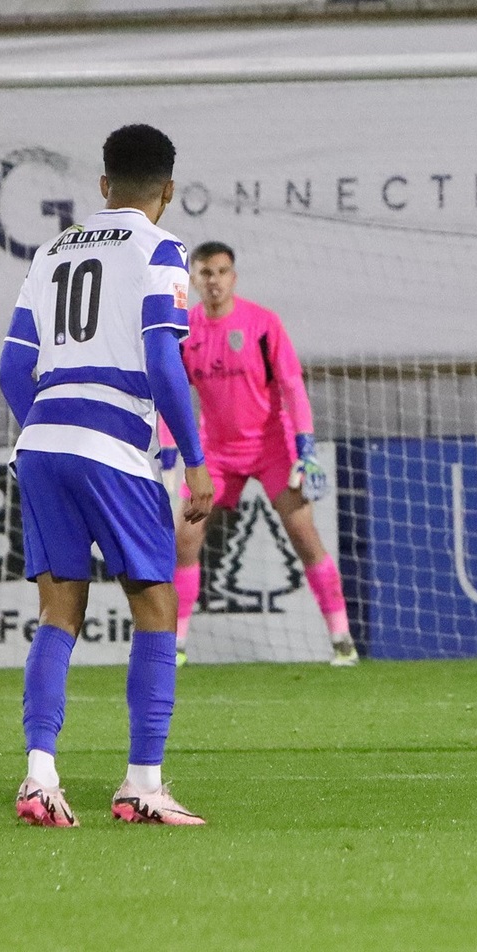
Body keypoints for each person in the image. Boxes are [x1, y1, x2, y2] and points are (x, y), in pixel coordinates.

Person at [0, 123, 215, 827]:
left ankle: (38, 778)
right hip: (114, 444)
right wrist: (194, 458)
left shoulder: (52, 249)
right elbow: (162, 361)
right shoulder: (162, 250)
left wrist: (48, 429)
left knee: (58, 613)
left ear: (102, 186)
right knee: (155, 607)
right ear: (167, 191)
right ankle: (141, 785)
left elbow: (9, 369)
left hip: (41, 439)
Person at [165, 241, 356, 668]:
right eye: (205, 273)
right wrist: (167, 452)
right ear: (192, 280)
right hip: (214, 453)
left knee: (306, 538)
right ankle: (174, 644)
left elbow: (291, 386)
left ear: (234, 277)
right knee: (185, 539)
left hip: (273, 448)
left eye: (221, 271)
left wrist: (305, 446)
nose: (213, 281)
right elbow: (172, 397)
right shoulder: (183, 331)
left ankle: (342, 638)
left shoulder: (263, 324)